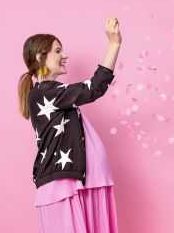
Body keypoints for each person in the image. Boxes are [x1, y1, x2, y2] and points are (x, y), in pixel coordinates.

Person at [18, 18, 122, 233]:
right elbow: (92, 88)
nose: (64, 55)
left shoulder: (55, 93)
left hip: (84, 181)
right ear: (40, 57)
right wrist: (113, 45)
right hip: (62, 184)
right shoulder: (45, 92)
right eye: (58, 51)